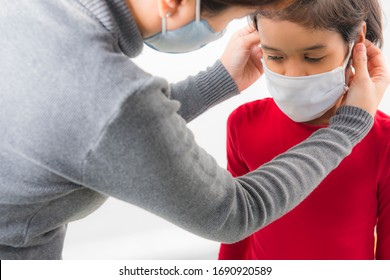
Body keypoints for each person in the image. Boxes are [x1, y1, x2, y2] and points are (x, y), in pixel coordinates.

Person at [0, 0, 388, 260]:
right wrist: (348, 127)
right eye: (219, 22)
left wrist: (216, 81)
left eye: (313, 55)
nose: (216, 34)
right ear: (174, 2)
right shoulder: (244, 123)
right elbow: (235, 215)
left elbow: (102, 127)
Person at [218, 0, 390, 260]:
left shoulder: (383, 139)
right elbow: (235, 231)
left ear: (358, 41)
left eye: (313, 57)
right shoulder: (243, 123)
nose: (294, 73)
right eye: (275, 56)